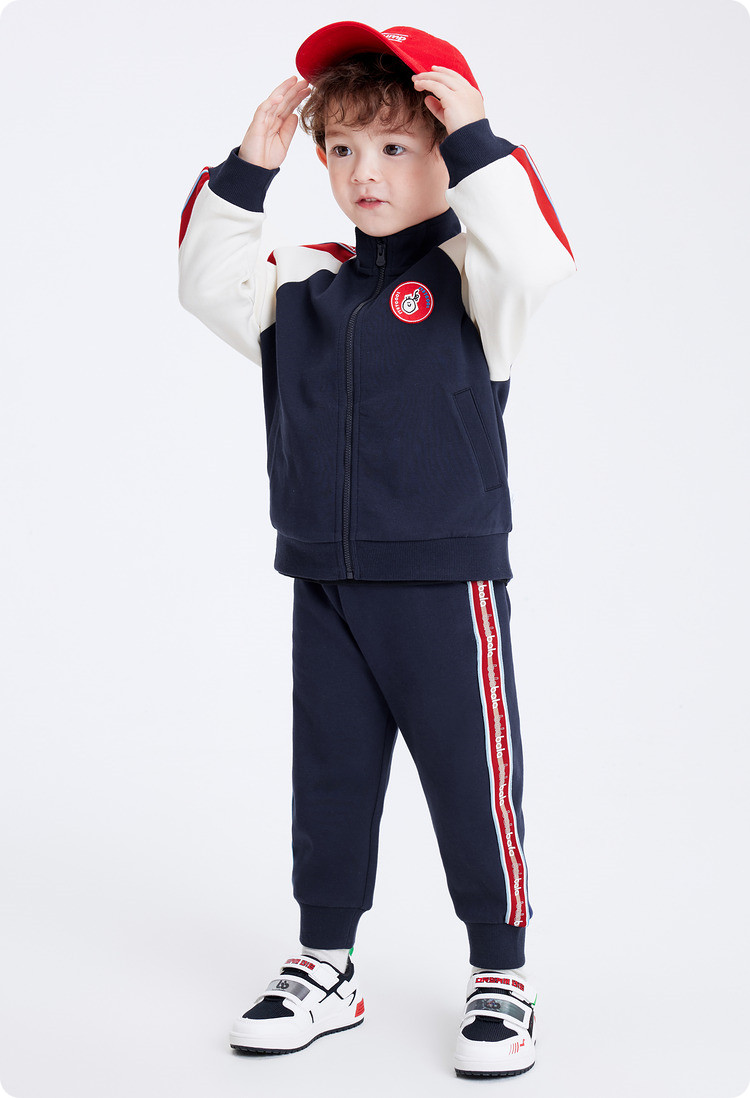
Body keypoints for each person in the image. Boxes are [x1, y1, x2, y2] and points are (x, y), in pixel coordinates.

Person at [178, 21, 575, 1079]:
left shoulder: (477, 275)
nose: (366, 172)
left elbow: (535, 253)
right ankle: (327, 964)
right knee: (331, 778)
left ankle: (502, 974)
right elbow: (204, 282)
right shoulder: (303, 282)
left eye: (397, 147)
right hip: (326, 577)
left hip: (443, 581)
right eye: (344, 148)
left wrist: (478, 136)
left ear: (447, 153)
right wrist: (251, 166)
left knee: (471, 780)